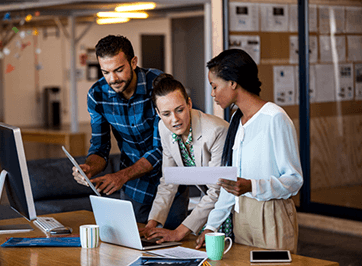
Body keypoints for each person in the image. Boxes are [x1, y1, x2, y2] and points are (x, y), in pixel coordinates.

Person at [72, 35, 188, 227]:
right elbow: (100, 146)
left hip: (170, 181)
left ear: (133, 62)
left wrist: (121, 176)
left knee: (174, 246)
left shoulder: (159, 85)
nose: (113, 79)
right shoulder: (97, 95)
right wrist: (89, 168)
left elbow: (162, 148)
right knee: (132, 246)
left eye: (119, 70)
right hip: (134, 187)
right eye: (106, 72)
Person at [195, 49, 303, 254]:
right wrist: (211, 226)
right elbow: (231, 183)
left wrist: (252, 186)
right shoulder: (236, 120)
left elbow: (294, 180)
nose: (212, 93)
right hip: (241, 215)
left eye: (215, 86)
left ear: (233, 83)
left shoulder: (275, 118)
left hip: (272, 216)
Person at [139, 73, 229, 243]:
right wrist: (151, 225)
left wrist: (178, 233)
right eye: (166, 114)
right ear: (158, 113)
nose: (175, 120)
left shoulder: (216, 131)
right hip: (209, 207)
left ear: (189, 103)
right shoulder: (164, 129)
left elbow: (217, 190)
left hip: (230, 206)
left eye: (179, 110)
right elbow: (169, 181)